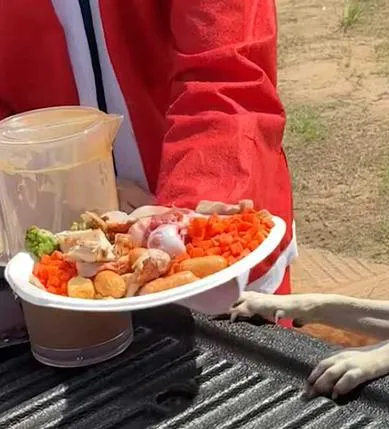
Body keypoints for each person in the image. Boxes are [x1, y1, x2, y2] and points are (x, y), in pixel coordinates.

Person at [0, 1, 296, 304]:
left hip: (213, 229)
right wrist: (79, 192)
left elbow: (226, 78)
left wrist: (173, 222)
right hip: (62, 252)